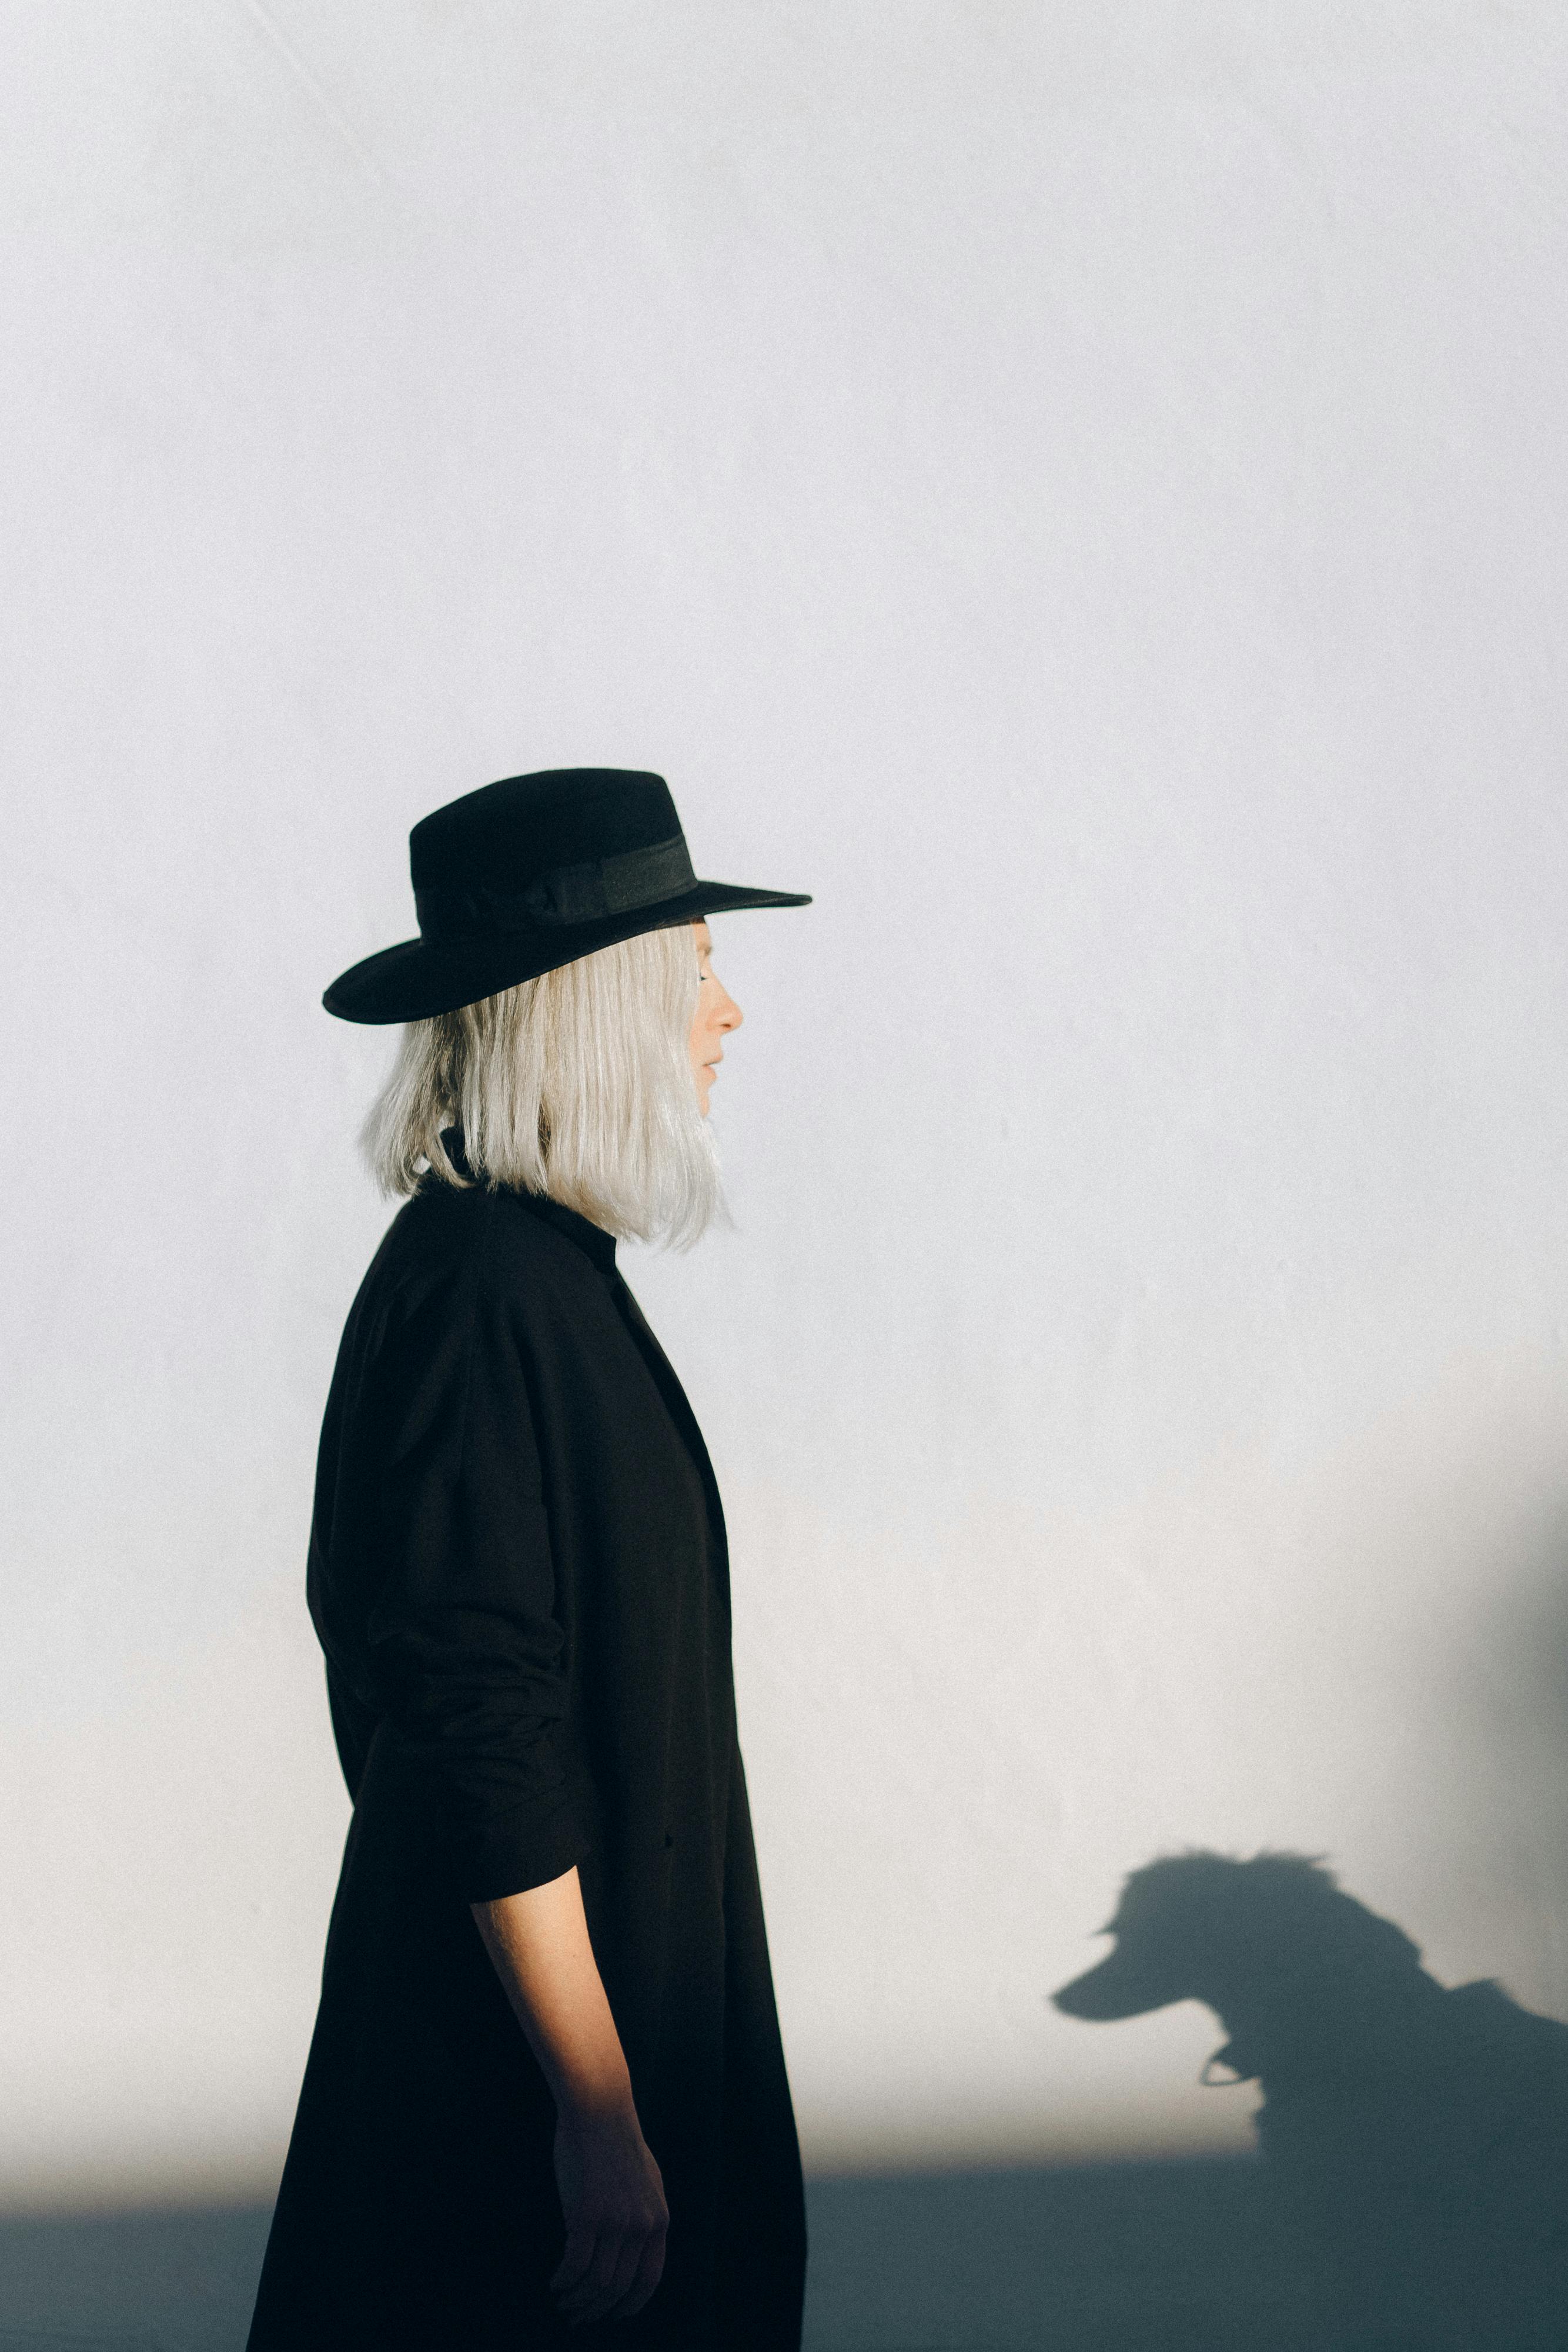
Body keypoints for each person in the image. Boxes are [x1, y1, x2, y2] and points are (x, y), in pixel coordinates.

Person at [246, 769, 812, 2350]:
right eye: (695, 967)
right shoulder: (489, 1294)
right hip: (516, 2103)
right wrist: (595, 2110)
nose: (728, 1016)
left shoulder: (535, 1278)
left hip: (579, 2058)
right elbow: (473, 1722)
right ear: (602, 1001)